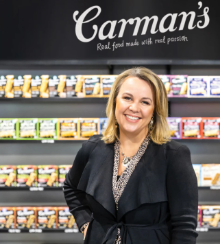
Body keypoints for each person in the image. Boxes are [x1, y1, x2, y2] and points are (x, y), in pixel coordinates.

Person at [63, 67, 198, 244]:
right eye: (127, 98)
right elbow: (70, 187)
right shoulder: (92, 148)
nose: (134, 108)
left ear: (155, 110)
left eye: (145, 102)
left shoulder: (173, 155)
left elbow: (184, 228)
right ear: (114, 102)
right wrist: (86, 224)